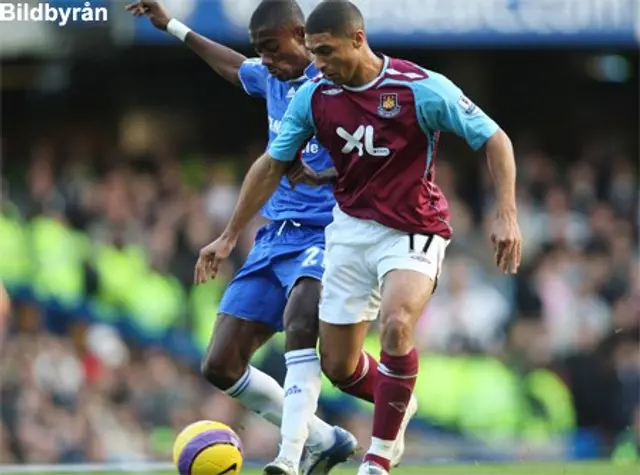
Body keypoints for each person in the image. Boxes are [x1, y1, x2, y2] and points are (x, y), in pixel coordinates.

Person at [194, 1, 523, 474]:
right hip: (350, 229)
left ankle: (377, 459)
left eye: (326, 52)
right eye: (313, 53)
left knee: (395, 323)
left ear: (358, 40)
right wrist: (228, 236)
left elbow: (495, 138)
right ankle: (397, 399)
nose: (318, 64)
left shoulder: (419, 90)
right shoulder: (314, 95)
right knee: (339, 366)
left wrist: (506, 214)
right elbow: (270, 165)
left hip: (412, 228)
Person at [126, 1, 358, 474]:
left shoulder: (335, 85)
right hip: (274, 239)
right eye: (261, 52)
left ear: (301, 35)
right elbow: (233, 66)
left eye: (273, 49)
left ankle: (289, 457)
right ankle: (324, 438)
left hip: (327, 231)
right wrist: (171, 25)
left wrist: (326, 173)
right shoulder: (272, 78)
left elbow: (376, 153)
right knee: (220, 365)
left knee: (300, 320)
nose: (267, 60)